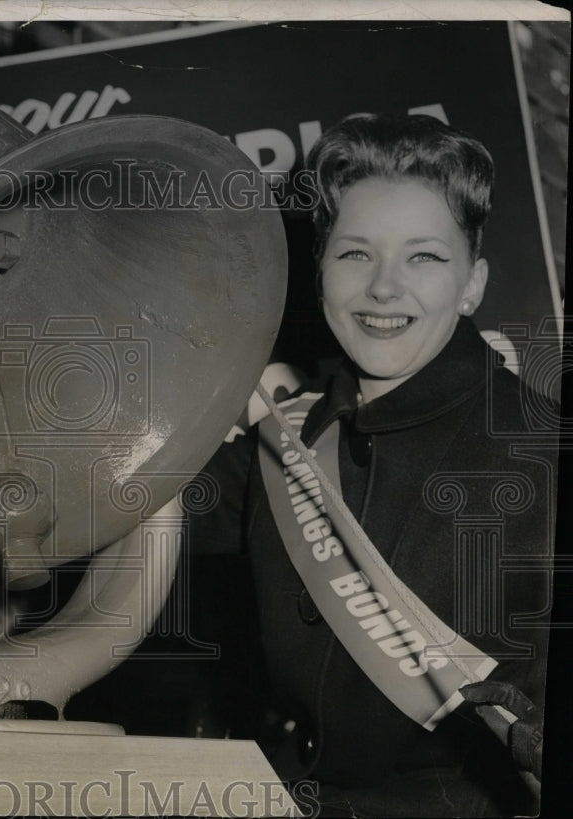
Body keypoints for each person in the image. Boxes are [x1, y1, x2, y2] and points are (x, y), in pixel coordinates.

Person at [193, 113, 558, 817]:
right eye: (356, 254)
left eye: (424, 256)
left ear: (474, 283)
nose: (384, 289)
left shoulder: (544, 449)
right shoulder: (276, 442)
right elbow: (106, 531)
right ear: (321, 267)